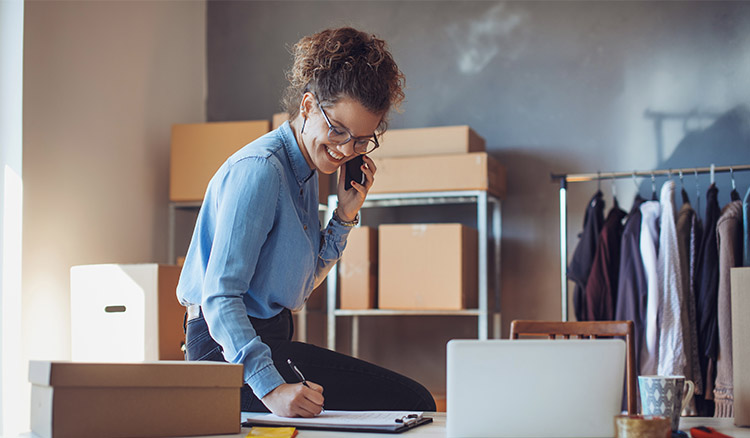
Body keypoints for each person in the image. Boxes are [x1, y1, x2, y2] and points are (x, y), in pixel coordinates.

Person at [176, 27, 436, 418]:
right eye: (338, 130)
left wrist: (344, 216)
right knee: (413, 402)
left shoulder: (306, 172)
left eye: (363, 140)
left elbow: (301, 282)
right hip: (226, 354)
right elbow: (220, 297)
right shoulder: (262, 171)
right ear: (309, 106)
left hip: (266, 341)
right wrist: (271, 388)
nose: (347, 149)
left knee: (397, 407)